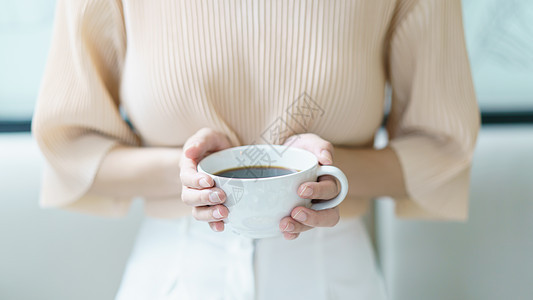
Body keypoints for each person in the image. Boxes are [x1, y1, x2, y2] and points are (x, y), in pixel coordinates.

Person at [32, 0, 480, 299]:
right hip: (173, 275)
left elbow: (439, 148)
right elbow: (70, 144)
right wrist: (187, 172)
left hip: (332, 276)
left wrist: (320, 176)